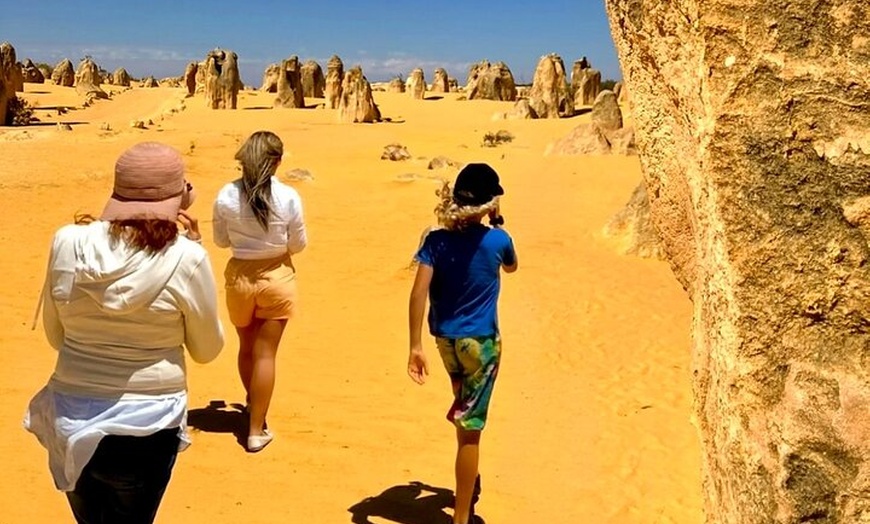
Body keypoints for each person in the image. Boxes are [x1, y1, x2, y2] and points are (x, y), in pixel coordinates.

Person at [24, 141, 225, 524]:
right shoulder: (188, 257)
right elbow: (207, 349)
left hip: (72, 415)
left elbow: (56, 336)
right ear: (177, 199)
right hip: (148, 424)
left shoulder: (67, 242)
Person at [407, 163, 518, 524]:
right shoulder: (498, 240)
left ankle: (468, 478)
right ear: (489, 203)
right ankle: (460, 516)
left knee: (463, 410)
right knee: (471, 430)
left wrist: (415, 346)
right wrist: (497, 222)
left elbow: (418, 293)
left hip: (446, 341)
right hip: (481, 344)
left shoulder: (436, 242)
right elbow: (511, 267)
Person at [212, 130, 307, 452]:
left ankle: (254, 403)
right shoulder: (289, 196)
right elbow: (298, 243)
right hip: (277, 275)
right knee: (266, 353)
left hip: (240, 276)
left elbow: (221, 241)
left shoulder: (226, 194)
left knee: (247, 347)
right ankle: (256, 429)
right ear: (277, 161)